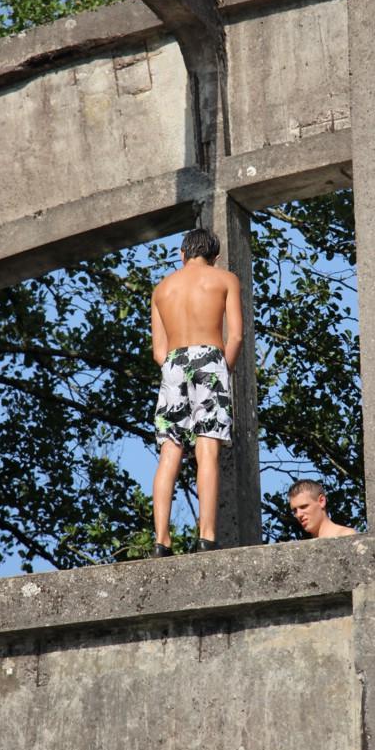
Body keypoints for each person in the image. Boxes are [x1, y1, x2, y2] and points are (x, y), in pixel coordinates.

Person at [150, 228, 243, 556]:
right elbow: (236, 337)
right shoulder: (225, 279)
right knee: (207, 450)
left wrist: (177, 370)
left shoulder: (162, 289)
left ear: (182, 254)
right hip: (210, 359)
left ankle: (161, 540)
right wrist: (221, 372)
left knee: (169, 452)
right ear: (215, 256)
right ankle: (206, 536)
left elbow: (158, 352)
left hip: (173, 364)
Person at [288, 479, 356, 539]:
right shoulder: (303, 547)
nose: (299, 515)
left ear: (321, 501)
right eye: (295, 510)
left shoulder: (346, 536)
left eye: (303, 507)